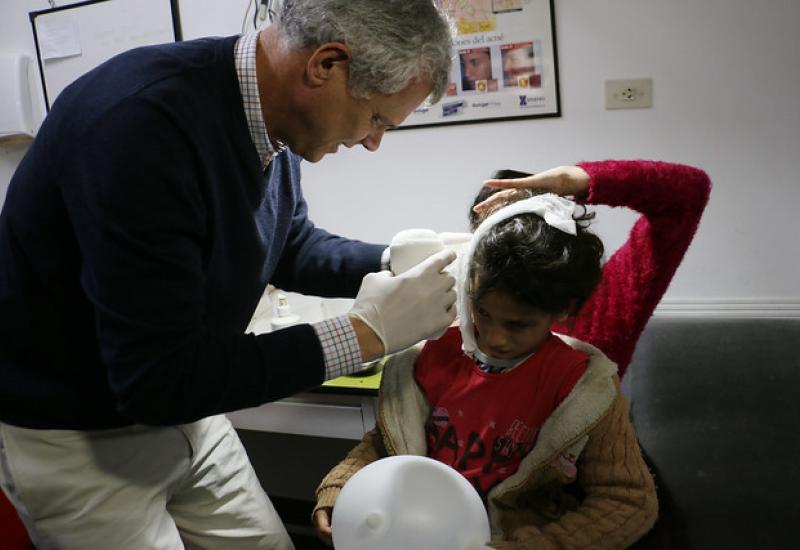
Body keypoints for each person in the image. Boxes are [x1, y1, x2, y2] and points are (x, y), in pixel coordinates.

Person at [0, 0, 456, 548]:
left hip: (191, 418)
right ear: (326, 66)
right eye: (378, 118)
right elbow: (157, 381)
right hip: (77, 435)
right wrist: (364, 334)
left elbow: (288, 243)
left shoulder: (273, 120)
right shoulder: (141, 129)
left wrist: (392, 258)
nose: (373, 140)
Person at [313, 160, 711, 548]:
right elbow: (386, 444)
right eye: (481, 313)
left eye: (518, 324)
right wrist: (342, 487)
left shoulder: (584, 378)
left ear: (564, 306)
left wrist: (576, 180)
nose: (493, 338)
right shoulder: (432, 355)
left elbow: (626, 502)